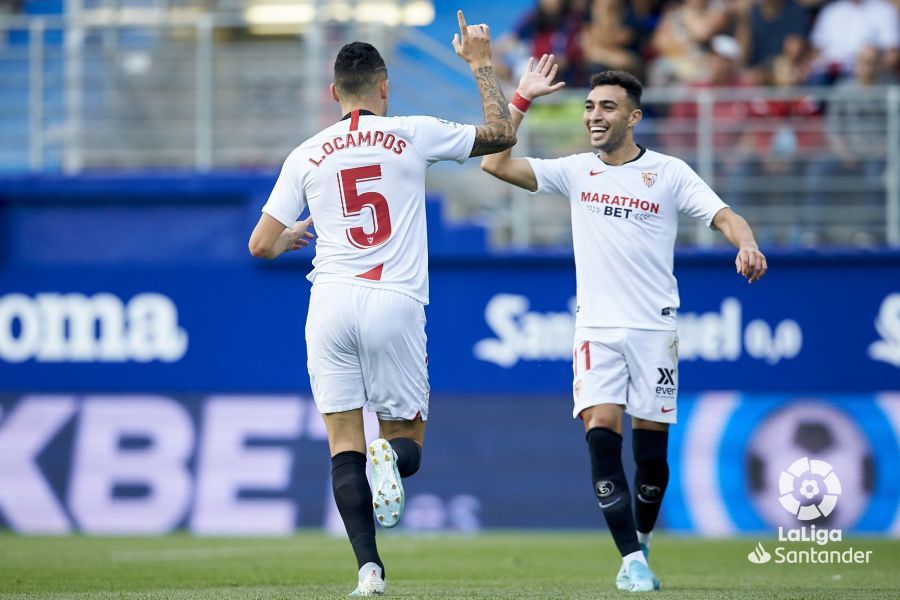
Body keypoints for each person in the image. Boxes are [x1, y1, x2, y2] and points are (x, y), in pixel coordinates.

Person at [247, 11, 515, 596]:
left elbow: (260, 245)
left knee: (341, 440)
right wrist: (481, 66)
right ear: (385, 86)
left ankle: (369, 570)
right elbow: (501, 136)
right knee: (405, 442)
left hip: (330, 303)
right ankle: (388, 459)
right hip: (392, 299)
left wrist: (293, 235)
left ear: (333, 93)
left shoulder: (307, 154)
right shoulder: (412, 131)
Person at [481, 59, 767, 592]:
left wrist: (746, 245)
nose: (594, 115)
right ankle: (632, 559)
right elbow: (496, 165)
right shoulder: (575, 170)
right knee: (601, 435)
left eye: (606, 107)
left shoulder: (669, 173)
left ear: (632, 118)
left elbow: (726, 216)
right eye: (590, 106)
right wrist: (521, 100)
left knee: (651, 460)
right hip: (597, 330)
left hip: (654, 330)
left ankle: (640, 537)